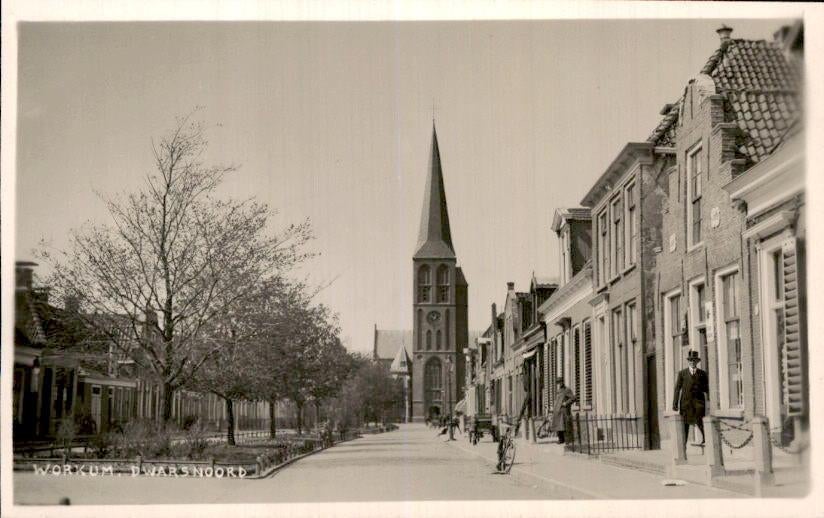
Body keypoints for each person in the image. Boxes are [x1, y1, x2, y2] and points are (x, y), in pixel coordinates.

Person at [672, 350, 710, 451]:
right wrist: (675, 403)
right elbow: (677, 388)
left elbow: (707, 388)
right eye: (690, 360)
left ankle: (707, 442)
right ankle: (682, 448)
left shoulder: (702, 374)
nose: (692, 362)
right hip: (686, 403)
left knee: (700, 421)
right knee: (685, 426)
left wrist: (709, 401)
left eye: (694, 361)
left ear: (697, 362)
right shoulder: (682, 374)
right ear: (688, 362)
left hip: (698, 403)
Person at [551, 379, 576, 444]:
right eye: (558, 382)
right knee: (558, 426)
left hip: (564, 411)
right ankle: (560, 439)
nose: (559, 384)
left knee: (565, 425)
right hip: (557, 411)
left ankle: (567, 440)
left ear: (562, 382)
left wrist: (566, 403)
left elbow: (573, 398)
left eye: (560, 382)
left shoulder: (567, 390)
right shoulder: (558, 391)